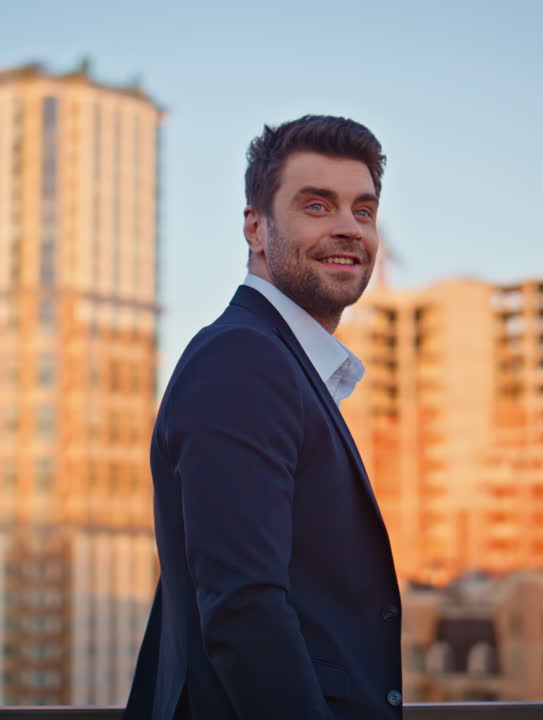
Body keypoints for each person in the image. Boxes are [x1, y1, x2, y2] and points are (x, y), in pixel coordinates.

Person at [124, 115, 402, 720]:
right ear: (256, 227)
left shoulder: (275, 361)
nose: (348, 229)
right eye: (317, 206)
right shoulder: (243, 359)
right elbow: (243, 609)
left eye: (363, 210)